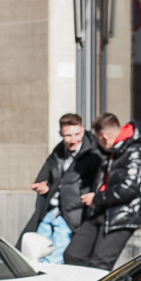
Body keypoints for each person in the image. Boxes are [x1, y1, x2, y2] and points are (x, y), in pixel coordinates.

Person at [73, 111, 141, 269]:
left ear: (104, 137)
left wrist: (96, 198)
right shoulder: (113, 150)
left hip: (124, 214)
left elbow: (128, 188)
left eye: (98, 140)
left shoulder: (136, 149)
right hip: (102, 209)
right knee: (74, 254)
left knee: (100, 263)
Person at [23, 113, 101, 264]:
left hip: (72, 213)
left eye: (77, 134)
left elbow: (94, 183)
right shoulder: (59, 152)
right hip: (51, 210)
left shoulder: (93, 153)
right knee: (34, 252)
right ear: (61, 134)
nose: (73, 140)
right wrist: (44, 185)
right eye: (68, 136)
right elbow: (48, 176)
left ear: (83, 131)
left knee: (56, 257)